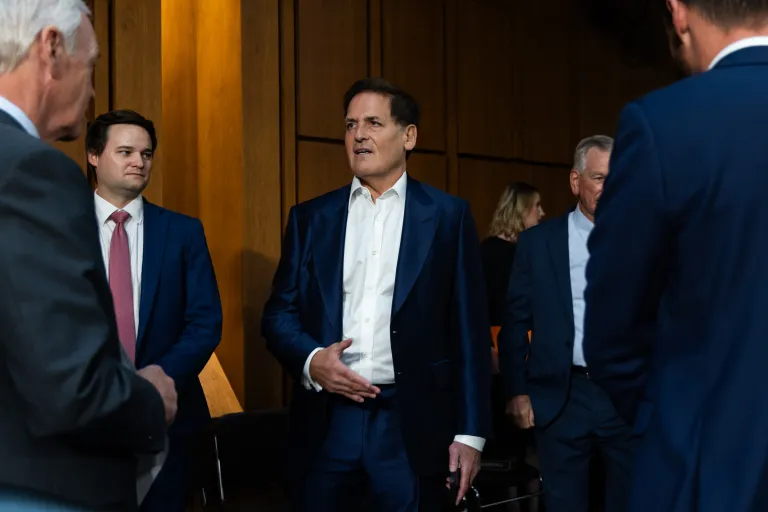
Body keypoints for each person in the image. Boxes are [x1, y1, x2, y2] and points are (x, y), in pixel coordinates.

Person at [262, 77, 492, 512]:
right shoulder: (311, 217)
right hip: (328, 421)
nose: (359, 135)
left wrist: (470, 433)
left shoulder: (447, 216)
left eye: (372, 123)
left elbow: (470, 331)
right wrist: (313, 361)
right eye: (350, 125)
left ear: (408, 136)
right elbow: (278, 314)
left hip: (412, 424)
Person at [583, 1, 768, 511]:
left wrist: (674, 415)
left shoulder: (663, 123)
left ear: (678, 12)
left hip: (705, 472)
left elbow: (612, 332)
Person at [0, 2, 176, 511]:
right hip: (37, 488)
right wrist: (152, 400)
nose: (94, 88)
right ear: (51, 49)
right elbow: (72, 387)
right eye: (91, 63)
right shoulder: (32, 172)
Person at [85, 109, 223, 511]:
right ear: (94, 156)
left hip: (169, 420)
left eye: (146, 154)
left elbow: (205, 322)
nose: (138, 162)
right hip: (84, 420)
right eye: (125, 151)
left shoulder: (183, 232)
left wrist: (160, 376)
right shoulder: (63, 227)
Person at [498, 136, 636, 512]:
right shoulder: (538, 243)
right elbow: (514, 322)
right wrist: (517, 391)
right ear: (576, 182)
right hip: (562, 397)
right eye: (599, 178)